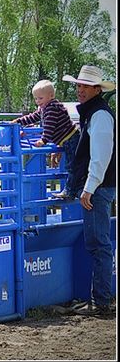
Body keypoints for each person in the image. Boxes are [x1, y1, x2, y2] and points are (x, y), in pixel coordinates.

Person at [62, 65, 116, 317]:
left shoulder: (99, 115)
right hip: (99, 185)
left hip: (98, 186)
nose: (80, 90)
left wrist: (89, 187)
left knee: (98, 244)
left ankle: (101, 301)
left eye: (84, 86)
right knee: (98, 243)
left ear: (96, 89)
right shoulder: (96, 113)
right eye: (78, 85)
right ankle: (100, 299)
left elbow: (100, 157)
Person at [11, 79, 80, 199]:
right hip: (66, 139)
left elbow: (49, 126)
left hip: (71, 138)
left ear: (51, 96)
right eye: (36, 98)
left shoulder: (52, 108)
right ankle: (74, 189)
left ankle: (71, 191)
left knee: (72, 166)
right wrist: (18, 121)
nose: (38, 101)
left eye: (40, 98)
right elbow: (32, 117)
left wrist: (43, 140)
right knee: (72, 165)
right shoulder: (44, 108)